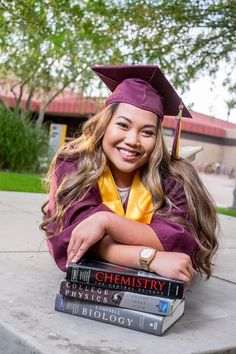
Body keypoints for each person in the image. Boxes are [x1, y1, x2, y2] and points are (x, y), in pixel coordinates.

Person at [40, 65, 218, 287]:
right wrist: (149, 258)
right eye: (123, 125)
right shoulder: (73, 165)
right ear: (105, 125)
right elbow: (72, 237)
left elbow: (179, 240)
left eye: (147, 132)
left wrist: (105, 222)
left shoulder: (174, 177)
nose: (133, 140)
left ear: (157, 138)